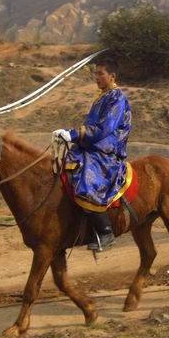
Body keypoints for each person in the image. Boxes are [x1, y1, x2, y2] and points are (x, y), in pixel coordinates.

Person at [53, 57, 132, 251]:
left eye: (100, 74)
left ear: (111, 76)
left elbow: (105, 128)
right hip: (94, 144)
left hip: (107, 148)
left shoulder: (117, 97)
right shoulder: (103, 96)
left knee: (87, 179)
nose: (96, 77)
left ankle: (105, 232)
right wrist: (69, 135)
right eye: (95, 74)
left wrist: (72, 134)